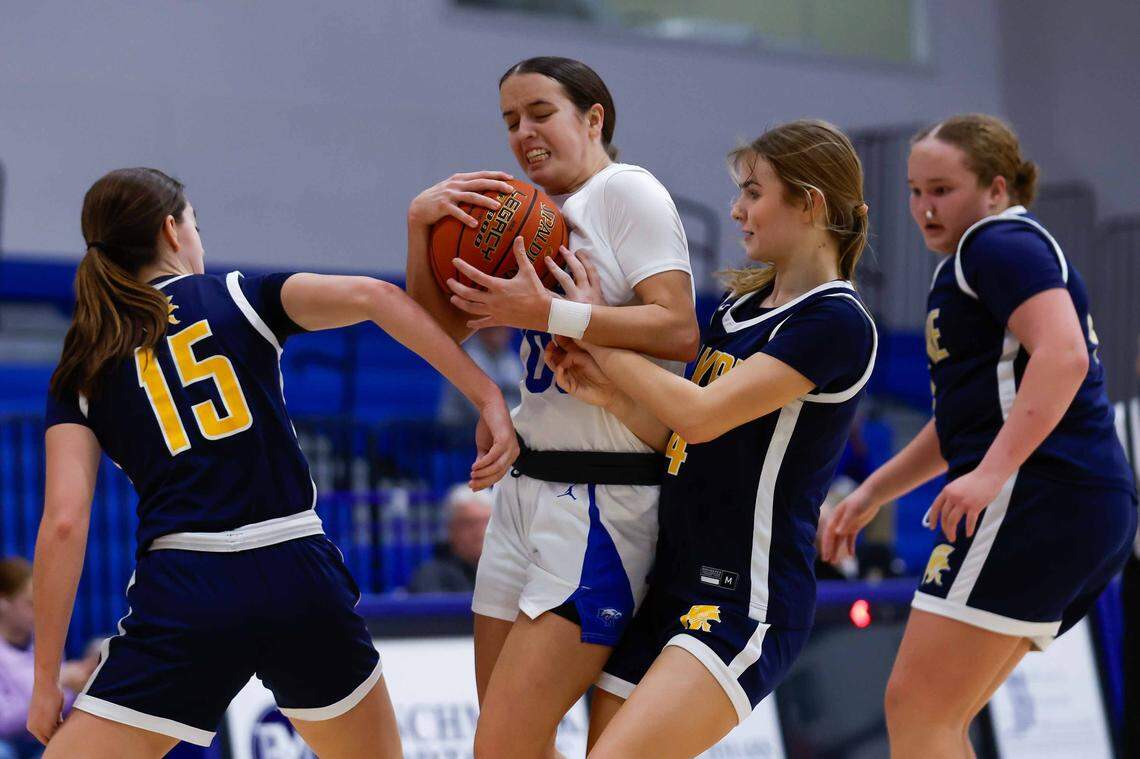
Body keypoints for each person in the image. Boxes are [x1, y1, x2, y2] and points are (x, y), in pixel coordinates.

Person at [29, 167, 518, 758]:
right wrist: (488, 395)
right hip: (294, 567)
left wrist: (43, 681)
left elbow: (63, 523)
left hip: (188, 587)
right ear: (171, 230)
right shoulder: (236, 296)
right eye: (195, 225)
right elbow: (379, 298)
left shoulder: (84, 361)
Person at [546, 119, 876, 757]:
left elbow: (703, 413)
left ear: (809, 202)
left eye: (754, 192)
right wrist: (609, 394)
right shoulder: (736, 310)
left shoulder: (836, 321)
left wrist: (593, 332)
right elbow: (684, 439)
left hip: (745, 597)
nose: (737, 210)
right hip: (668, 581)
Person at [404, 56, 699, 757]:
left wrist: (553, 312)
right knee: (509, 743)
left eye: (541, 112)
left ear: (593, 117)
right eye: (511, 120)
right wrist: (420, 227)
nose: (523, 132)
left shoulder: (626, 193)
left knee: (501, 746)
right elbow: (435, 330)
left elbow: (680, 327)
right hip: (522, 496)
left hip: (603, 502)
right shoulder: (525, 214)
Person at [821, 114, 1137, 758]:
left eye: (942, 189)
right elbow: (962, 423)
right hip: (1074, 503)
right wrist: (872, 492)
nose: (923, 207)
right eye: (914, 191)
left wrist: (991, 474)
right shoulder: (981, 260)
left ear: (996, 189)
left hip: (1037, 499)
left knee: (919, 710)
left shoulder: (995, 245)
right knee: (935, 714)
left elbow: (1065, 356)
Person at [0, 557, 97, 759]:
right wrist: (58, 683)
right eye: (29, 603)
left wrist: (82, 685)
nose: (39, 611)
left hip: (38, 743)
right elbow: (4, 722)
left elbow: (55, 715)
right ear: (3, 603)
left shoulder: (45, 643)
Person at [407, 484, 493, 593]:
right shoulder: (430, 578)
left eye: (486, 522)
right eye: (470, 523)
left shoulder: (511, 572)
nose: (480, 532)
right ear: (451, 528)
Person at [437, 327, 522, 428]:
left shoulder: (509, 358)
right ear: (482, 330)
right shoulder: (467, 356)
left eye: (504, 329)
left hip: (492, 428)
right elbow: (483, 409)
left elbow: (521, 397)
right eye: (497, 329)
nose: (502, 333)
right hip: (457, 432)